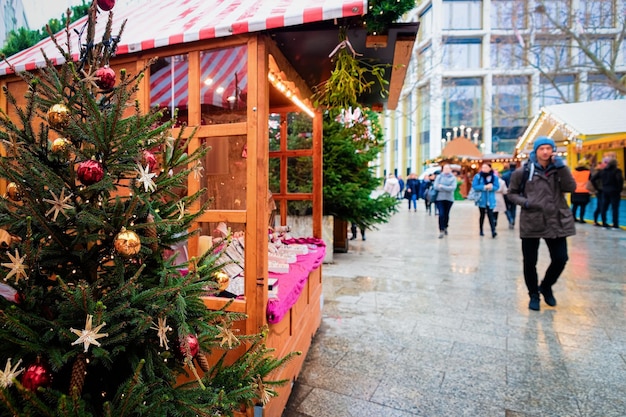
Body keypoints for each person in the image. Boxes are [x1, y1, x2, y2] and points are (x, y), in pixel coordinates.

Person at [507, 136, 576, 311]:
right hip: (532, 220)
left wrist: (561, 167)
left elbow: (571, 187)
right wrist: (526, 203)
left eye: (549, 148)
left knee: (561, 258)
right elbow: (511, 193)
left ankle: (546, 286)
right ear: (536, 151)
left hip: (556, 220)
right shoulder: (522, 172)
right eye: (541, 148)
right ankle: (533, 295)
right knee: (530, 261)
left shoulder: (559, 169)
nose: (545, 152)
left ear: (553, 150)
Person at [472, 163, 500, 238]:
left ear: (490, 168)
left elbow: (497, 187)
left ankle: (493, 231)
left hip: (490, 199)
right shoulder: (478, 176)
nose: (484, 169)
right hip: (482, 198)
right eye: (483, 167)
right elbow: (475, 186)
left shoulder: (494, 177)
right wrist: (484, 187)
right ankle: (481, 230)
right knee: (482, 215)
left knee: (491, 215)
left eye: (486, 167)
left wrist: (491, 187)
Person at [433, 164, 457, 238]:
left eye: (447, 168)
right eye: (445, 168)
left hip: (449, 199)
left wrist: (442, 186)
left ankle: (446, 226)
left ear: (450, 169)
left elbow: (453, 188)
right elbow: (436, 186)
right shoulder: (439, 177)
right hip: (439, 198)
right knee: (441, 214)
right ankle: (441, 229)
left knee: (446, 214)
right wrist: (447, 187)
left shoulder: (453, 178)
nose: (446, 170)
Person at [599, 158, 624, 229]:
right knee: (614, 208)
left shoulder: (603, 171)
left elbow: (593, 179)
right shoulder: (617, 171)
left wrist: (599, 189)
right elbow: (620, 179)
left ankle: (604, 223)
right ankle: (615, 224)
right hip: (614, 191)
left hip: (605, 191)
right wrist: (619, 189)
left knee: (604, 208)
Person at [571, 159, 591, 223]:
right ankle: (581, 219)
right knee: (583, 206)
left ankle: (573, 218)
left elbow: (571, 181)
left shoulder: (574, 172)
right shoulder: (588, 172)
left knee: (574, 206)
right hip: (584, 191)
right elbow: (591, 181)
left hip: (575, 190)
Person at [590, 158, 608, 226]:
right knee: (600, 206)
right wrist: (597, 188)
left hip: (599, 191)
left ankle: (596, 220)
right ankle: (597, 221)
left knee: (600, 206)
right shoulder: (598, 172)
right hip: (600, 191)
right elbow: (593, 180)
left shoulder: (599, 172)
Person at [501, 162, 517, 229]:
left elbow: (502, 185)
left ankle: (510, 219)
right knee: (513, 208)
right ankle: (512, 219)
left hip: (506, 193)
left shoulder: (504, 175)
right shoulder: (518, 174)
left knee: (506, 208)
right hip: (515, 193)